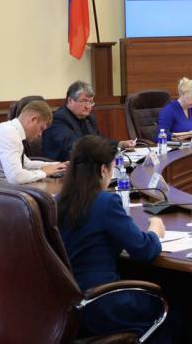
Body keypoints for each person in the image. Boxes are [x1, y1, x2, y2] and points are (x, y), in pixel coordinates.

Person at [57, 136, 169, 341]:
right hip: (101, 302)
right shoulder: (106, 202)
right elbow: (144, 251)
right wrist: (155, 230)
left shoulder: (57, 201)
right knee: (172, 310)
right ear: (103, 170)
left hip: (67, 306)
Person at [42, 81, 135, 162]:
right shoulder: (58, 120)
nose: (88, 106)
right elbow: (74, 147)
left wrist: (119, 144)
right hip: (64, 168)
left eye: (90, 102)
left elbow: (99, 140)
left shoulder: (88, 118)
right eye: (84, 101)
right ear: (70, 100)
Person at [0, 100, 67, 184]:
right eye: (41, 129)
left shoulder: (13, 131)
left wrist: (58, 165)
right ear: (33, 119)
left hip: (5, 187)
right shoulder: (9, 132)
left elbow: (26, 164)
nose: (40, 135)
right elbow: (15, 177)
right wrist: (44, 172)